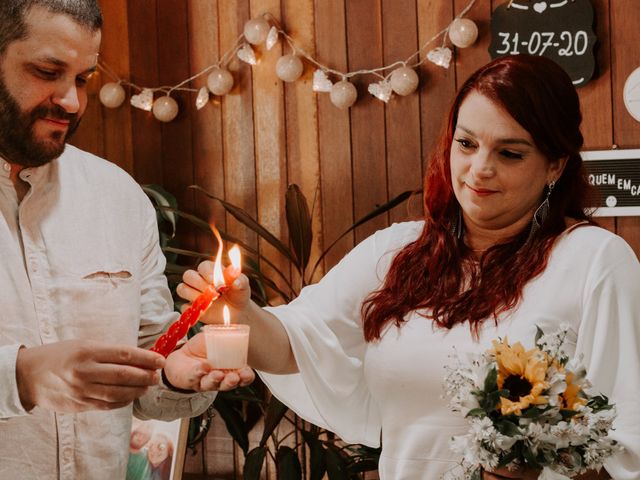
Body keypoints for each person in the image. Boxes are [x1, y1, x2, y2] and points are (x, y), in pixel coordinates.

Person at [179, 54, 640, 480]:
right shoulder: (397, 250)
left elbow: (628, 433)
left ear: (555, 165)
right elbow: (295, 345)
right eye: (467, 143)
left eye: (510, 153)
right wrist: (239, 312)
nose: (479, 169)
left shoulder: (594, 260)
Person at [0, 1, 254, 479]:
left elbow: (149, 372)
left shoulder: (119, 197)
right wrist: (21, 377)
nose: (72, 102)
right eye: (47, 71)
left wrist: (177, 376)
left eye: (82, 79)